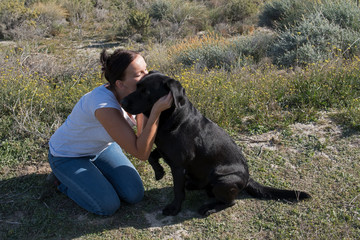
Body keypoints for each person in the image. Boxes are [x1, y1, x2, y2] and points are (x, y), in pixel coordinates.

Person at [46, 49, 173, 216]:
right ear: (120, 83)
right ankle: (60, 181)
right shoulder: (103, 105)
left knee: (134, 194)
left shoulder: (134, 94)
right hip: (68, 155)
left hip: (102, 148)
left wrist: (147, 107)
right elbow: (141, 153)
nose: (147, 75)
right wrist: (155, 112)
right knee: (107, 206)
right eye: (139, 73)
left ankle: (92, 177)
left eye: (146, 70)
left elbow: (141, 137)